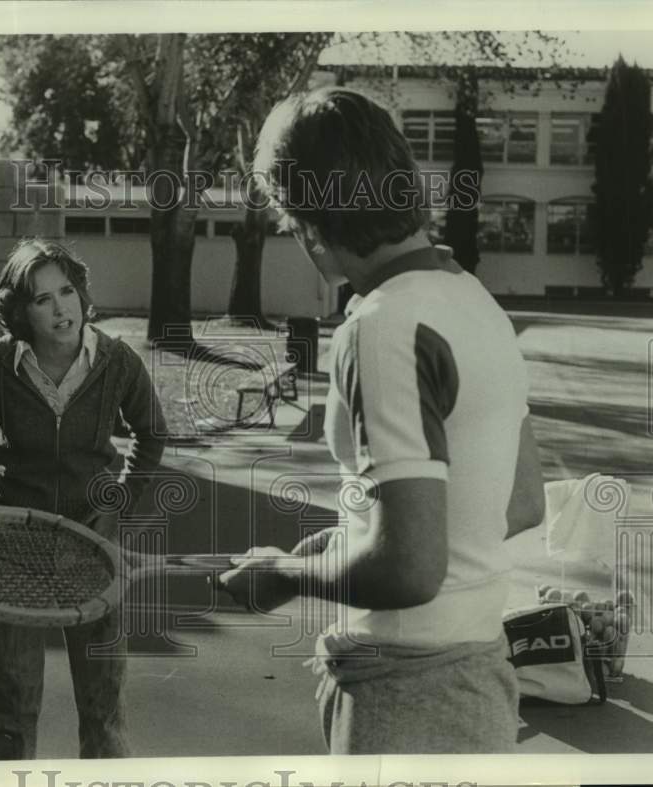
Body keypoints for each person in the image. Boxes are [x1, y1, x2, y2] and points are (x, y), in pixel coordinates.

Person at [219, 88, 546, 754]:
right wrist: (340, 548)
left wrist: (285, 574)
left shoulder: (380, 326)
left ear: (310, 222)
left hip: (403, 697)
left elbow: (408, 569)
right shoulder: (473, 298)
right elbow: (520, 503)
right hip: (480, 682)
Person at [0, 237, 166, 759]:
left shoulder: (116, 361)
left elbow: (152, 433)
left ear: (82, 294)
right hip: (16, 552)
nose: (61, 307)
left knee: (103, 713)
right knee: (11, 711)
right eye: (42, 299)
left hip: (91, 548)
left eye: (67, 290)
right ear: (20, 311)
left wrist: (118, 505)